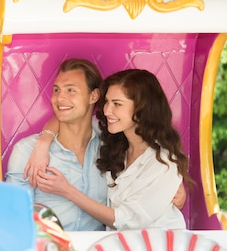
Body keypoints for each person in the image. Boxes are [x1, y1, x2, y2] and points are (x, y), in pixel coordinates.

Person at [34, 68, 191, 230]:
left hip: (159, 248)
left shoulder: (162, 160)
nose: (107, 111)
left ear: (142, 108)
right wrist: (43, 143)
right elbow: (67, 117)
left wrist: (67, 190)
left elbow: (125, 221)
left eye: (117, 104)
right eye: (107, 102)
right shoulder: (114, 138)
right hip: (121, 247)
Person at [6, 59, 108, 231]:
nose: (60, 98)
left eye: (71, 90)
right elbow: (14, 217)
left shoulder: (111, 149)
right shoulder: (27, 151)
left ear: (93, 96)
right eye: (56, 90)